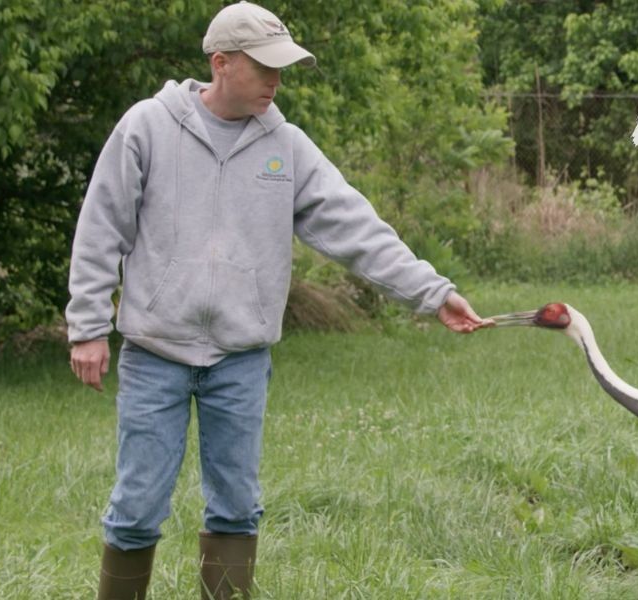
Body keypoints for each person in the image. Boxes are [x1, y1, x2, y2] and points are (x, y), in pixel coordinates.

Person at [65, 2, 488, 599]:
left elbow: (355, 227)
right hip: (155, 355)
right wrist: (86, 326)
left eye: (282, 68)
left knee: (237, 508)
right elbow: (101, 226)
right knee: (135, 510)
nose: (276, 80)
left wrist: (432, 292)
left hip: (239, 362)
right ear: (221, 63)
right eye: (264, 67)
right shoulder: (147, 127)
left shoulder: (285, 147)